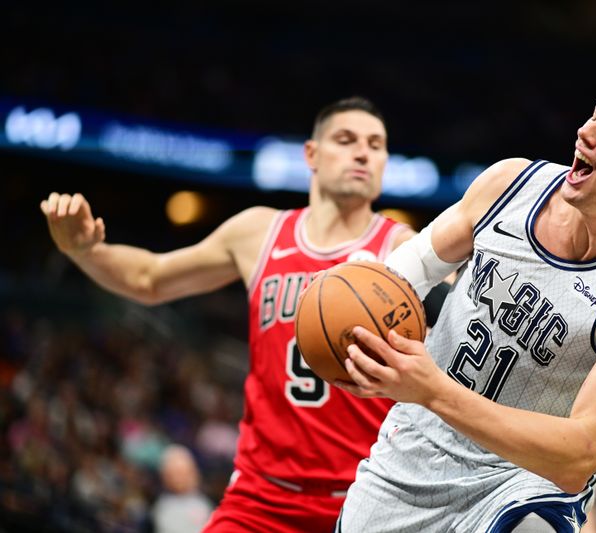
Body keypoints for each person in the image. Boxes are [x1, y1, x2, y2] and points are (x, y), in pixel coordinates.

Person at [335, 68, 596, 532]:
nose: (585, 131)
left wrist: (433, 390)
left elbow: (580, 453)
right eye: (595, 117)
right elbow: (407, 272)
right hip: (416, 446)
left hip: (522, 480)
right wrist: (350, 322)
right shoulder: (510, 185)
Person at [40, 96, 419, 532]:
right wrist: (84, 250)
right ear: (311, 154)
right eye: (346, 140)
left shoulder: (406, 250)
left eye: (376, 144)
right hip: (262, 495)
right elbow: (149, 278)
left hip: (368, 496)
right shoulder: (258, 232)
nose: (362, 153)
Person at [151, 444, 214, 533]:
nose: (180, 479)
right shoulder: (162, 507)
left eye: (184, 473)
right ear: (165, 477)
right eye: (175, 474)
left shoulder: (208, 500)